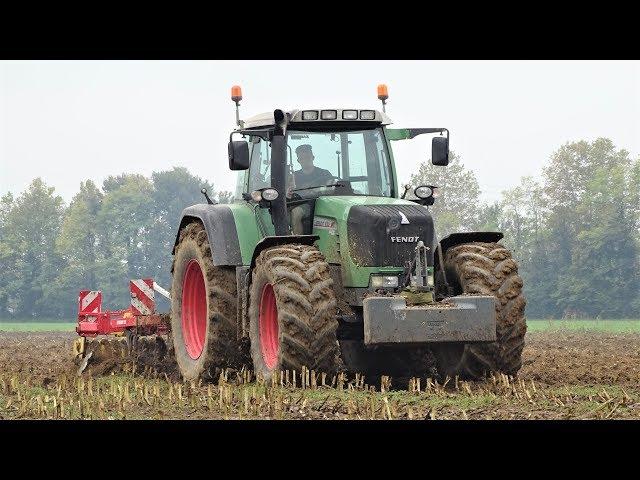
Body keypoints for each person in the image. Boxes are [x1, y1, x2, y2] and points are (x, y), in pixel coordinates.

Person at [288, 144, 334, 234]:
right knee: (296, 212)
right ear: (298, 160)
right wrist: (288, 192)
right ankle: (298, 243)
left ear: (313, 157)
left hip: (323, 203)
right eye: (302, 158)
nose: (305, 160)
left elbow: (332, 188)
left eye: (307, 157)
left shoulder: (324, 173)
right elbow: (289, 192)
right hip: (305, 204)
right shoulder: (294, 176)